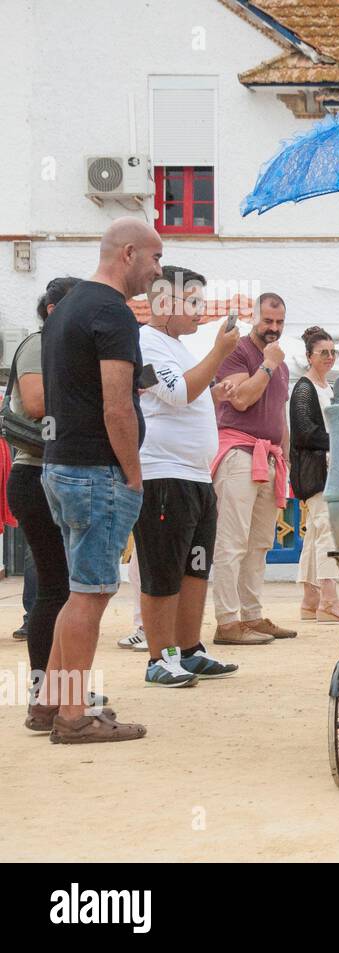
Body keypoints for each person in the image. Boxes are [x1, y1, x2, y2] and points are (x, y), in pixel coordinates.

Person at [36, 218, 160, 743]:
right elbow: (118, 406)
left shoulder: (67, 307)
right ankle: (72, 716)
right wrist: (133, 475)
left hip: (61, 464)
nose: (158, 272)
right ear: (128, 254)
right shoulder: (112, 312)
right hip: (97, 472)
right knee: (91, 595)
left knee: (76, 593)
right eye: (154, 259)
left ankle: (50, 705)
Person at [135, 265, 242, 686]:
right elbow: (177, 393)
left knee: (196, 566)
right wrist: (219, 352)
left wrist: (214, 391)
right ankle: (159, 658)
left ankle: (190, 648)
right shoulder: (144, 341)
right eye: (192, 301)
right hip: (163, 472)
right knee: (163, 567)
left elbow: (184, 394)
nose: (201, 310)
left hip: (196, 473)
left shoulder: (176, 347)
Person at [9, 277, 79, 729]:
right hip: (35, 473)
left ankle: (55, 688)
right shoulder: (38, 344)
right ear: (55, 310)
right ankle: (45, 691)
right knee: (56, 588)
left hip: (53, 473)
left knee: (67, 588)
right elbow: (35, 403)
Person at [210, 292, 295, 645]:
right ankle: (227, 622)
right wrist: (268, 365)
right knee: (232, 542)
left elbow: (279, 416)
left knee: (259, 542)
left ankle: (252, 615)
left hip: (268, 457)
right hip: (238, 452)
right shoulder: (239, 352)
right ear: (254, 319)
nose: (273, 329)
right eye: (268, 321)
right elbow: (242, 398)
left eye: (279, 322)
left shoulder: (281, 364)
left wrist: (285, 459)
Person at [290, 326, 339, 624]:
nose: (330, 357)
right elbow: (304, 432)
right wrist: (338, 441)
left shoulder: (327, 387)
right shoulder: (305, 388)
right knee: (327, 528)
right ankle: (329, 599)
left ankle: (310, 599)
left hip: (326, 468)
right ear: (309, 356)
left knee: (315, 531)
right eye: (324, 352)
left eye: (333, 352)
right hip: (317, 470)